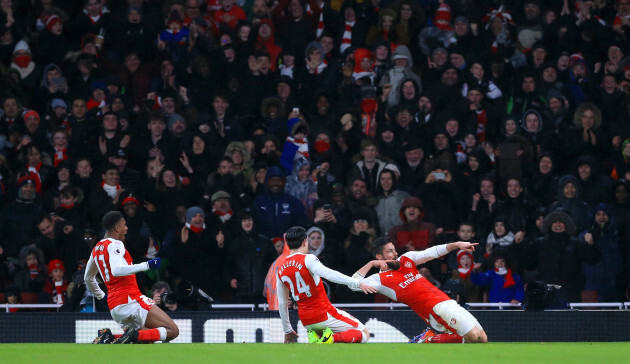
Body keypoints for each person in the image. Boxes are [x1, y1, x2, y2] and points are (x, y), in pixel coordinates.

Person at [352, 236, 488, 344]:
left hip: (447, 301)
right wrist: (370, 264)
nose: (395, 253)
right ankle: (429, 339)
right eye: (390, 251)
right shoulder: (378, 279)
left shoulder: (407, 259)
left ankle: (430, 338)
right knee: (473, 336)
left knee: (483, 338)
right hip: (435, 310)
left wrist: (457, 244)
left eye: (394, 249)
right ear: (379, 257)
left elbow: (433, 252)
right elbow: (352, 284)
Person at [85, 211, 179, 344]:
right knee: (172, 330)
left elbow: (88, 278)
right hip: (130, 300)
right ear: (117, 228)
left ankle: (110, 337)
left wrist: (102, 297)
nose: (127, 228)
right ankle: (123, 336)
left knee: (146, 337)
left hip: (115, 307)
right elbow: (116, 270)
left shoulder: (97, 249)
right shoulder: (115, 244)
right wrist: (147, 265)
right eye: (124, 225)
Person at [276, 226, 378, 344]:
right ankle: (331, 338)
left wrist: (287, 329)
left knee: (331, 343)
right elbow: (328, 274)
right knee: (364, 333)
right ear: (305, 241)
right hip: (323, 314)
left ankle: (318, 337)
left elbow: (282, 302)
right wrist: (357, 282)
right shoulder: (308, 259)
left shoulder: (281, 268)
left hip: (306, 320)